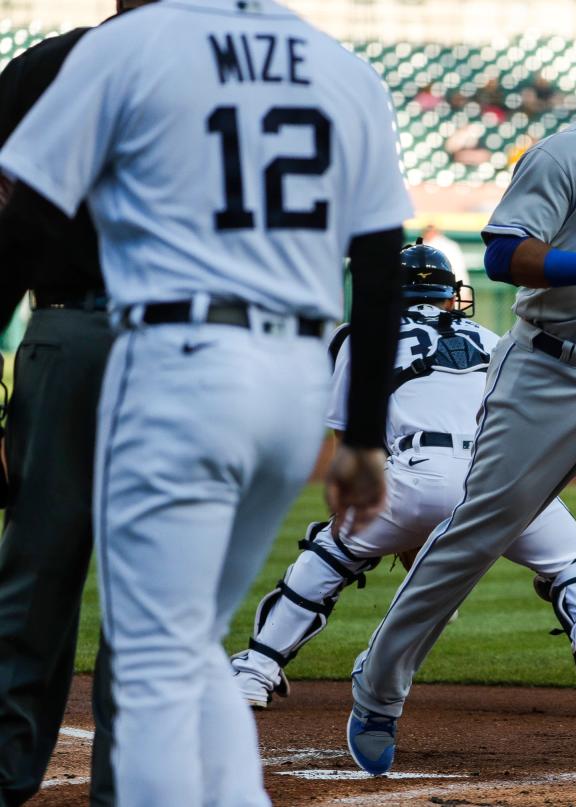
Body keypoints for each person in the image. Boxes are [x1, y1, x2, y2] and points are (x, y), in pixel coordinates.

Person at [0, 0, 412, 802]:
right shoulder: (339, 65)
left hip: (169, 353)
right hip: (291, 373)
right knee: (186, 644)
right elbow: (381, 265)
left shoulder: (127, 47)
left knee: (139, 646)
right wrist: (363, 431)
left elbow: (21, 227)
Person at [347, 21, 576, 776]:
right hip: (549, 375)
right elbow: (500, 253)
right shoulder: (561, 156)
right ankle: (377, 689)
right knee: (477, 532)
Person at [230, 240, 576, 707]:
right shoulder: (492, 339)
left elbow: (352, 445)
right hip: (505, 474)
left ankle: (256, 671)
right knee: (575, 562)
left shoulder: (362, 335)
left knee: (329, 554)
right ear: (452, 294)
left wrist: (385, 522)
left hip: (421, 471)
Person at [0, 2, 163, 799]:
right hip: (178, 344)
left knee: (33, 572)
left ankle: (3, 772)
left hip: (63, 333)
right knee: (149, 585)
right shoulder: (219, 75)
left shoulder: (40, 66)